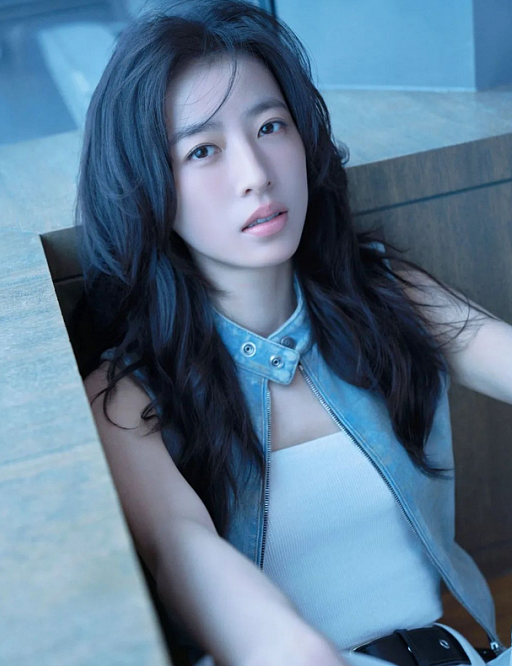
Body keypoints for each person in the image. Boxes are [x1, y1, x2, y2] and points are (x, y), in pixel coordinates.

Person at [76, 2, 512, 666]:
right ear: (148, 188)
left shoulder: (383, 295)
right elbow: (183, 551)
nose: (256, 175)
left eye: (270, 126)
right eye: (202, 150)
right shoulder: (126, 398)